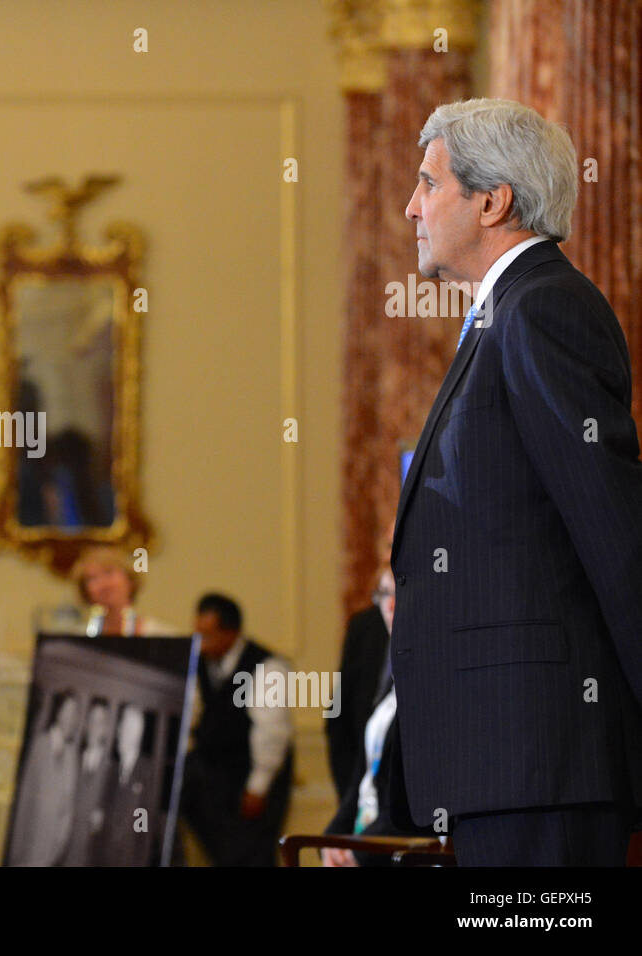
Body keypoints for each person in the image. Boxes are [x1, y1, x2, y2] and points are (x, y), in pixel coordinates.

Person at [392, 98, 642, 865]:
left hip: (541, 757)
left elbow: (613, 527)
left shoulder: (544, 308)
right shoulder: (504, 312)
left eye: (429, 183)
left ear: (492, 200)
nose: (411, 207)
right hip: (503, 761)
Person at [179, 593, 293, 866]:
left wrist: (258, 787)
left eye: (207, 635)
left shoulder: (267, 666)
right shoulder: (201, 664)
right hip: (213, 782)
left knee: (252, 855)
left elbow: (272, 732)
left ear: (231, 633)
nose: (200, 643)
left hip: (250, 781)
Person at [325, 565, 393, 797]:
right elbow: (338, 715)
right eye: (385, 594)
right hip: (360, 787)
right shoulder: (364, 626)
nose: (391, 605)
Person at [6, 690, 81, 866]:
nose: (71, 718)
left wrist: (60, 841)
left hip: (52, 851)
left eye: (74, 713)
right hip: (30, 841)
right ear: (58, 712)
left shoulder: (72, 755)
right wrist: (17, 846)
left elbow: (69, 805)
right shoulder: (40, 744)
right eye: (67, 711)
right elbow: (25, 795)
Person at [94, 703, 158, 866]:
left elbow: (143, 830)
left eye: (123, 728)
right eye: (121, 727)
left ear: (135, 734)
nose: (118, 732)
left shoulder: (146, 772)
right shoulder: (113, 770)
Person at [69, 545, 175, 636]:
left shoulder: (161, 634)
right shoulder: (77, 641)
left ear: (129, 579)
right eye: (92, 578)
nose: (103, 584)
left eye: (109, 572)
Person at [63, 696, 114, 866]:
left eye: (100, 721)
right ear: (86, 725)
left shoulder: (111, 770)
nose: (95, 726)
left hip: (90, 856)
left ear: (106, 729)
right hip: (63, 850)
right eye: (92, 719)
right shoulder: (73, 759)